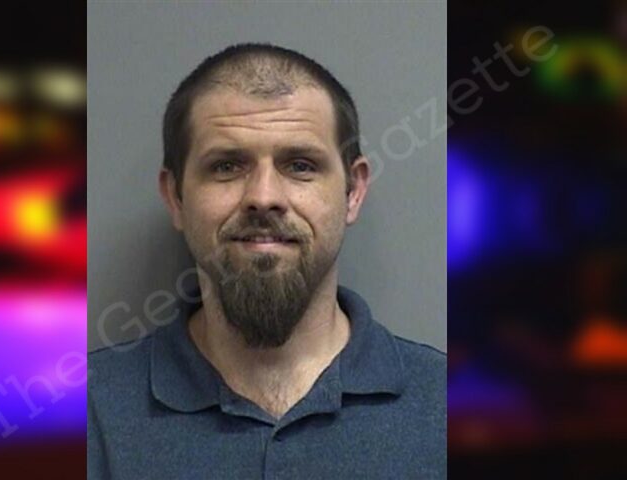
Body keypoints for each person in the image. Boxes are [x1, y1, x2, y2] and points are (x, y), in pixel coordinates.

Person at [88, 43, 445, 479]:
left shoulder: (451, 408)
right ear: (175, 197)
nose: (263, 197)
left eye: (300, 165)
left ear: (353, 192)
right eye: (226, 166)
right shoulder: (85, 415)